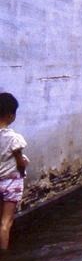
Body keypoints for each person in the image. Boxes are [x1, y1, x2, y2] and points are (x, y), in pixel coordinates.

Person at [0, 93, 29, 250]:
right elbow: (20, 162)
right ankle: (3, 259)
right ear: (11, 115)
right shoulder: (14, 138)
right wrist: (23, 168)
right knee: (6, 223)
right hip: (11, 183)